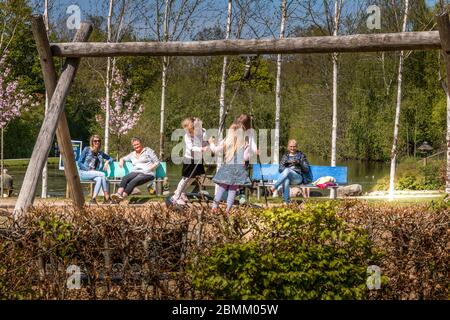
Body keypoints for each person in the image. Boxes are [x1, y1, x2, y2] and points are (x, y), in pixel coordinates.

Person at [209, 123, 252, 212]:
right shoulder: (245, 143)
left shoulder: (227, 141)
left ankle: (214, 207)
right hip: (238, 169)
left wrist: (211, 143)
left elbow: (215, 150)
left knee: (222, 188)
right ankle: (228, 209)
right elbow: (245, 158)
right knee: (233, 189)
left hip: (227, 168)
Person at [170, 117, 208, 205]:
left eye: (191, 131)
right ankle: (176, 195)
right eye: (189, 132)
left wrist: (208, 145)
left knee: (193, 178)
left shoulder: (203, 132)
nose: (190, 134)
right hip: (189, 159)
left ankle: (182, 192)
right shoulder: (187, 136)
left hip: (198, 159)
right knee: (186, 178)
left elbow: (206, 141)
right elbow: (191, 148)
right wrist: (201, 149)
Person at [111, 137, 160, 203]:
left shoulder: (148, 151)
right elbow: (124, 158)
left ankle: (122, 197)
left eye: (137, 144)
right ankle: (118, 194)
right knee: (126, 178)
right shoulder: (132, 154)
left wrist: (149, 169)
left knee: (134, 181)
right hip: (136, 172)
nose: (136, 146)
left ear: (141, 144)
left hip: (147, 173)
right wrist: (121, 160)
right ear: (133, 146)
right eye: (134, 145)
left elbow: (157, 162)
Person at [270, 139, 312, 203]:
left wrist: (300, 162)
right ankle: (286, 202)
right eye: (291, 146)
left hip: (298, 178)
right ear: (288, 147)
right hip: (287, 177)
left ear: (296, 147)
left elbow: (306, 169)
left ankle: (275, 186)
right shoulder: (285, 156)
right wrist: (288, 164)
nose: (292, 148)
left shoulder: (301, 155)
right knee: (286, 179)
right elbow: (280, 169)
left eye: (294, 146)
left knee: (287, 170)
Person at [78, 135, 114, 204]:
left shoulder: (100, 153)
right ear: (92, 142)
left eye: (99, 141)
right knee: (102, 174)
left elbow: (111, 158)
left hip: (94, 174)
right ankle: (107, 196)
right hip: (84, 172)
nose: (97, 142)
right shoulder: (86, 149)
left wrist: (107, 161)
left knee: (99, 179)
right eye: (95, 141)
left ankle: (93, 199)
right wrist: (87, 169)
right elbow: (79, 162)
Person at [235, 114, 258, 203]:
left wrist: (256, 150)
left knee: (242, 176)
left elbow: (252, 143)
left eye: (243, 125)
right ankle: (236, 192)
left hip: (245, 158)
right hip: (236, 157)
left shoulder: (250, 132)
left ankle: (241, 194)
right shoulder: (236, 130)